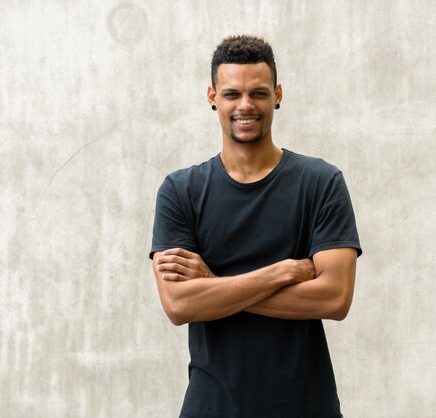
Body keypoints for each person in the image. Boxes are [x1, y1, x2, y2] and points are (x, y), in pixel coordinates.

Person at [149, 35, 362, 417]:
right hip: (212, 407)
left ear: (277, 95)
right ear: (212, 96)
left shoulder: (321, 182)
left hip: (305, 407)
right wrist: (282, 272)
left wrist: (213, 284)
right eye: (232, 94)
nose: (245, 105)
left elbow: (334, 297)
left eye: (258, 93)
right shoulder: (180, 191)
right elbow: (179, 304)